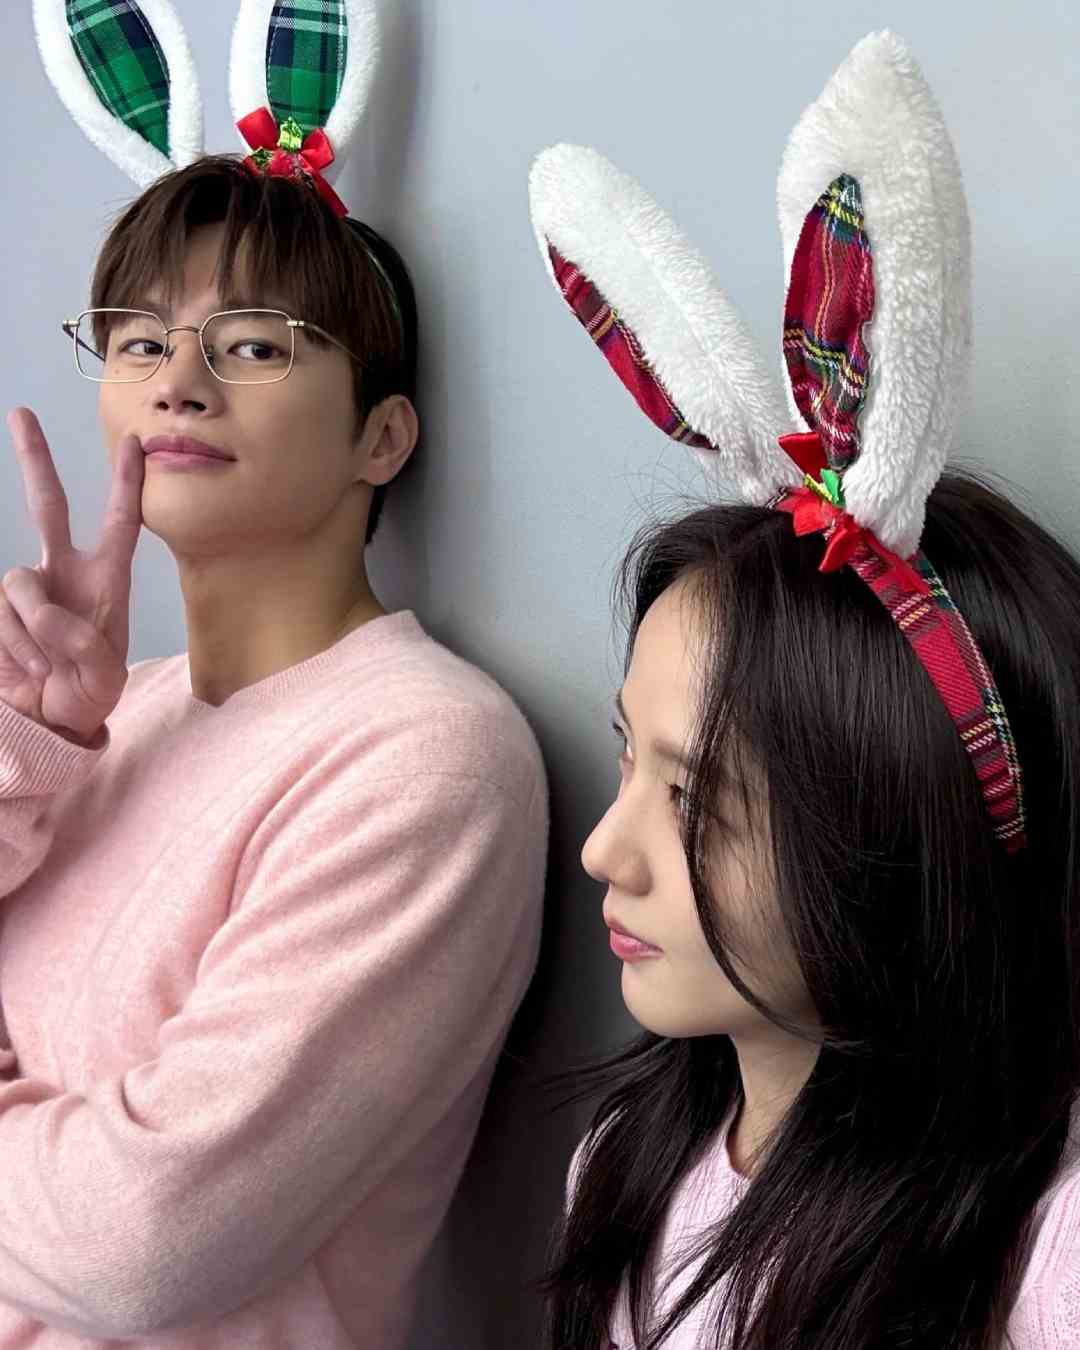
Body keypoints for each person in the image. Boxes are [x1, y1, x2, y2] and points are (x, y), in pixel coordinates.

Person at [529, 31, 1079, 1350]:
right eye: (629, 760)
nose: (604, 849)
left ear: (898, 830)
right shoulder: (624, 1161)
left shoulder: (1044, 1250)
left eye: (695, 799)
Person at [0, 115, 547, 1350]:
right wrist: (26, 745)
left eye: (253, 345)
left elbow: (138, 1240)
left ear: (382, 437)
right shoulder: (107, 711)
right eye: (142, 341)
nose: (178, 382)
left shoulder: (424, 756)